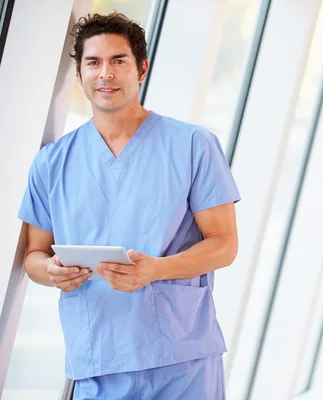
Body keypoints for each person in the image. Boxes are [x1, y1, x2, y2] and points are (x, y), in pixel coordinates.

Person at [18, 12, 240, 399]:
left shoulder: (193, 146)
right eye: (94, 62)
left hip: (181, 359)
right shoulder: (52, 163)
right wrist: (52, 272)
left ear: (141, 69)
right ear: (79, 72)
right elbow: (34, 255)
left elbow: (224, 243)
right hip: (97, 360)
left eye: (118, 60)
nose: (106, 73)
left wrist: (156, 270)